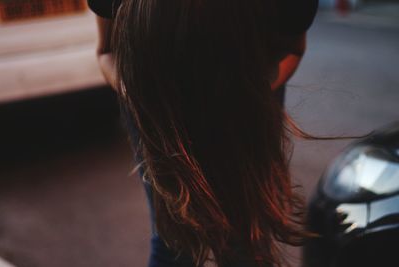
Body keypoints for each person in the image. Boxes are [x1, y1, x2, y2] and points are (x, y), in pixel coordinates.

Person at [88, 0, 318, 266]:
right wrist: (143, 98)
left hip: (247, 103)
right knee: (174, 240)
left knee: (247, 236)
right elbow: (107, 52)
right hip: (158, 109)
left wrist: (248, 96)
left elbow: (293, 48)